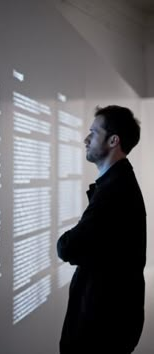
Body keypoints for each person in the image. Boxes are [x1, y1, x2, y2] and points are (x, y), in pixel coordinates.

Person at [57, 105, 146, 354]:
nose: (86, 139)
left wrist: (66, 240)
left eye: (94, 133)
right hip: (110, 323)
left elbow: (68, 247)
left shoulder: (114, 191)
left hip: (100, 330)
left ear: (113, 140)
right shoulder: (118, 183)